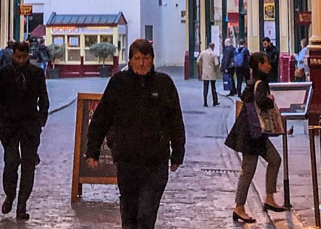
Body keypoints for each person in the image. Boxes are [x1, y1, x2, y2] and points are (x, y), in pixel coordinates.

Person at [86, 38, 185, 229]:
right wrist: (93, 150)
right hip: (127, 158)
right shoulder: (119, 83)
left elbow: (175, 121)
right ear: (130, 60)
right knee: (129, 210)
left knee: (147, 212)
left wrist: (178, 153)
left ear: (152, 60)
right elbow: (101, 118)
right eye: (137, 58)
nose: (141, 63)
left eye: (146, 58)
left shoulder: (164, 84)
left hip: (156, 159)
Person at [225, 51, 285, 224]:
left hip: (255, 133)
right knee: (248, 171)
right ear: (260, 65)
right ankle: (239, 207)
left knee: (274, 159)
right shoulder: (260, 84)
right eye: (266, 63)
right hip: (251, 135)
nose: (270, 65)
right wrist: (270, 100)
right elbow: (261, 102)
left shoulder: (253, 82)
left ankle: (269, 198)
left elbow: (245, 98)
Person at [0, 41, 50, 219]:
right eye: (18, 57)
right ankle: (10, 195)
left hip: (30, 126)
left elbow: (43, 99)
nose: (21, 60)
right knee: (11, 163)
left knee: (28, 166)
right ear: (13, 55)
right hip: (9, 126)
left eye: (24, 57)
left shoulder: (36, 73)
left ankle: (22, 205)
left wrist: (41, 120)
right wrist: (0, 120)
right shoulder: (4, 73)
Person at [195, 41, 220, 107]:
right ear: (213, 47)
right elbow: (216, 64)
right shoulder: (214, 54)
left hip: (205, 72)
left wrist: (203, 65)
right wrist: (216, 69)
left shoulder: (203, 53)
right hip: (212, 73)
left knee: (205, 88)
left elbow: (197, 61)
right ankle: (215, 101)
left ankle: (205, 102)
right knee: (213, 88)